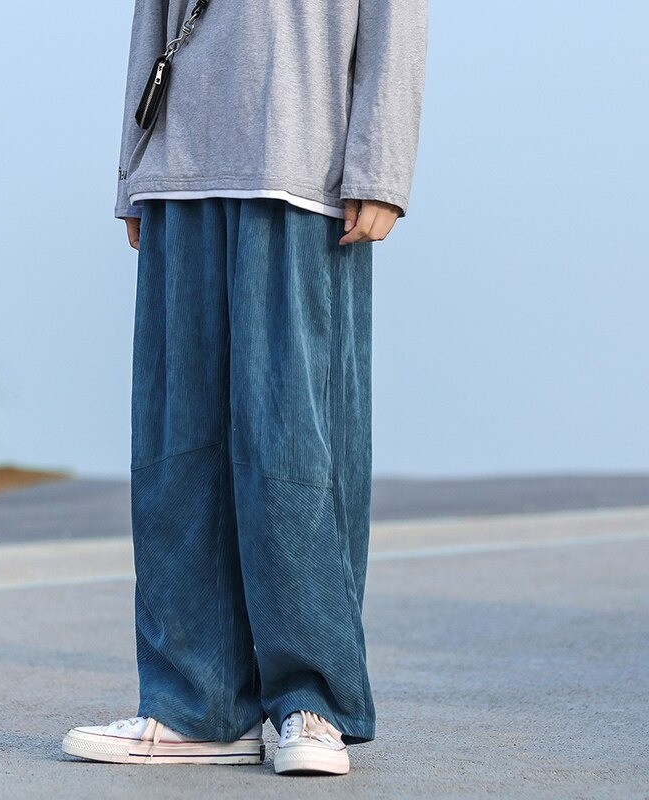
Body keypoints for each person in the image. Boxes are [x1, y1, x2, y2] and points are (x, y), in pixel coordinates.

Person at [62, 0, 427, 776]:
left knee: (293, 444)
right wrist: (134, 170)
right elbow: (153, 18)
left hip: (306, 170)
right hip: (179, 170)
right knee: (178, 450)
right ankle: (197, 707)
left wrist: (381, 169)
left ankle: (312, 702)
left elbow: (397, 17)